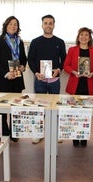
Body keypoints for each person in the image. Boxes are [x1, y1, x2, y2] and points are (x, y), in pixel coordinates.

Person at [28, 14, 66, 144]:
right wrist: (36, 72)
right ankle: (39, 133)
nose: (48, 25)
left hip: (55, 81)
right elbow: (30, 60)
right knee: (40, 107)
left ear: (54, 25)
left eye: (51, 23)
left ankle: (55, 132)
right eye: (46, 23)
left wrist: (59, 69)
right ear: (42, 25)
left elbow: (64, 59)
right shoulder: (35, 41)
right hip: (40, 80)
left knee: (55, 107)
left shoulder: (59, 42)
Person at [0, 16, 27, 142]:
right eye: (10, 24)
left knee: (16, 107)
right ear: (5, 26)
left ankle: (14, 133)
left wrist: (23, 66)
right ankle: (4, 133)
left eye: (15, 24)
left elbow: (24, 58)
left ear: (18, 27)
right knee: (2, 109)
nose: (13, 26)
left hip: (16, 78)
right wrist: (6, 73)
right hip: (2, 79)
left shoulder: (19, 41)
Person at [64, 27, 93, 147]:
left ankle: (84, 136)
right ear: (78, 37)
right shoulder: (72, 50)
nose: (84, 37)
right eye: (82, 35)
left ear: (90, 37)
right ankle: (75, 137)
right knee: (75, 113)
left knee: (86, 113)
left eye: (86, 35)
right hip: (75, 84)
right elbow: (66, 65)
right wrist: (74, 72)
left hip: (88, 85)